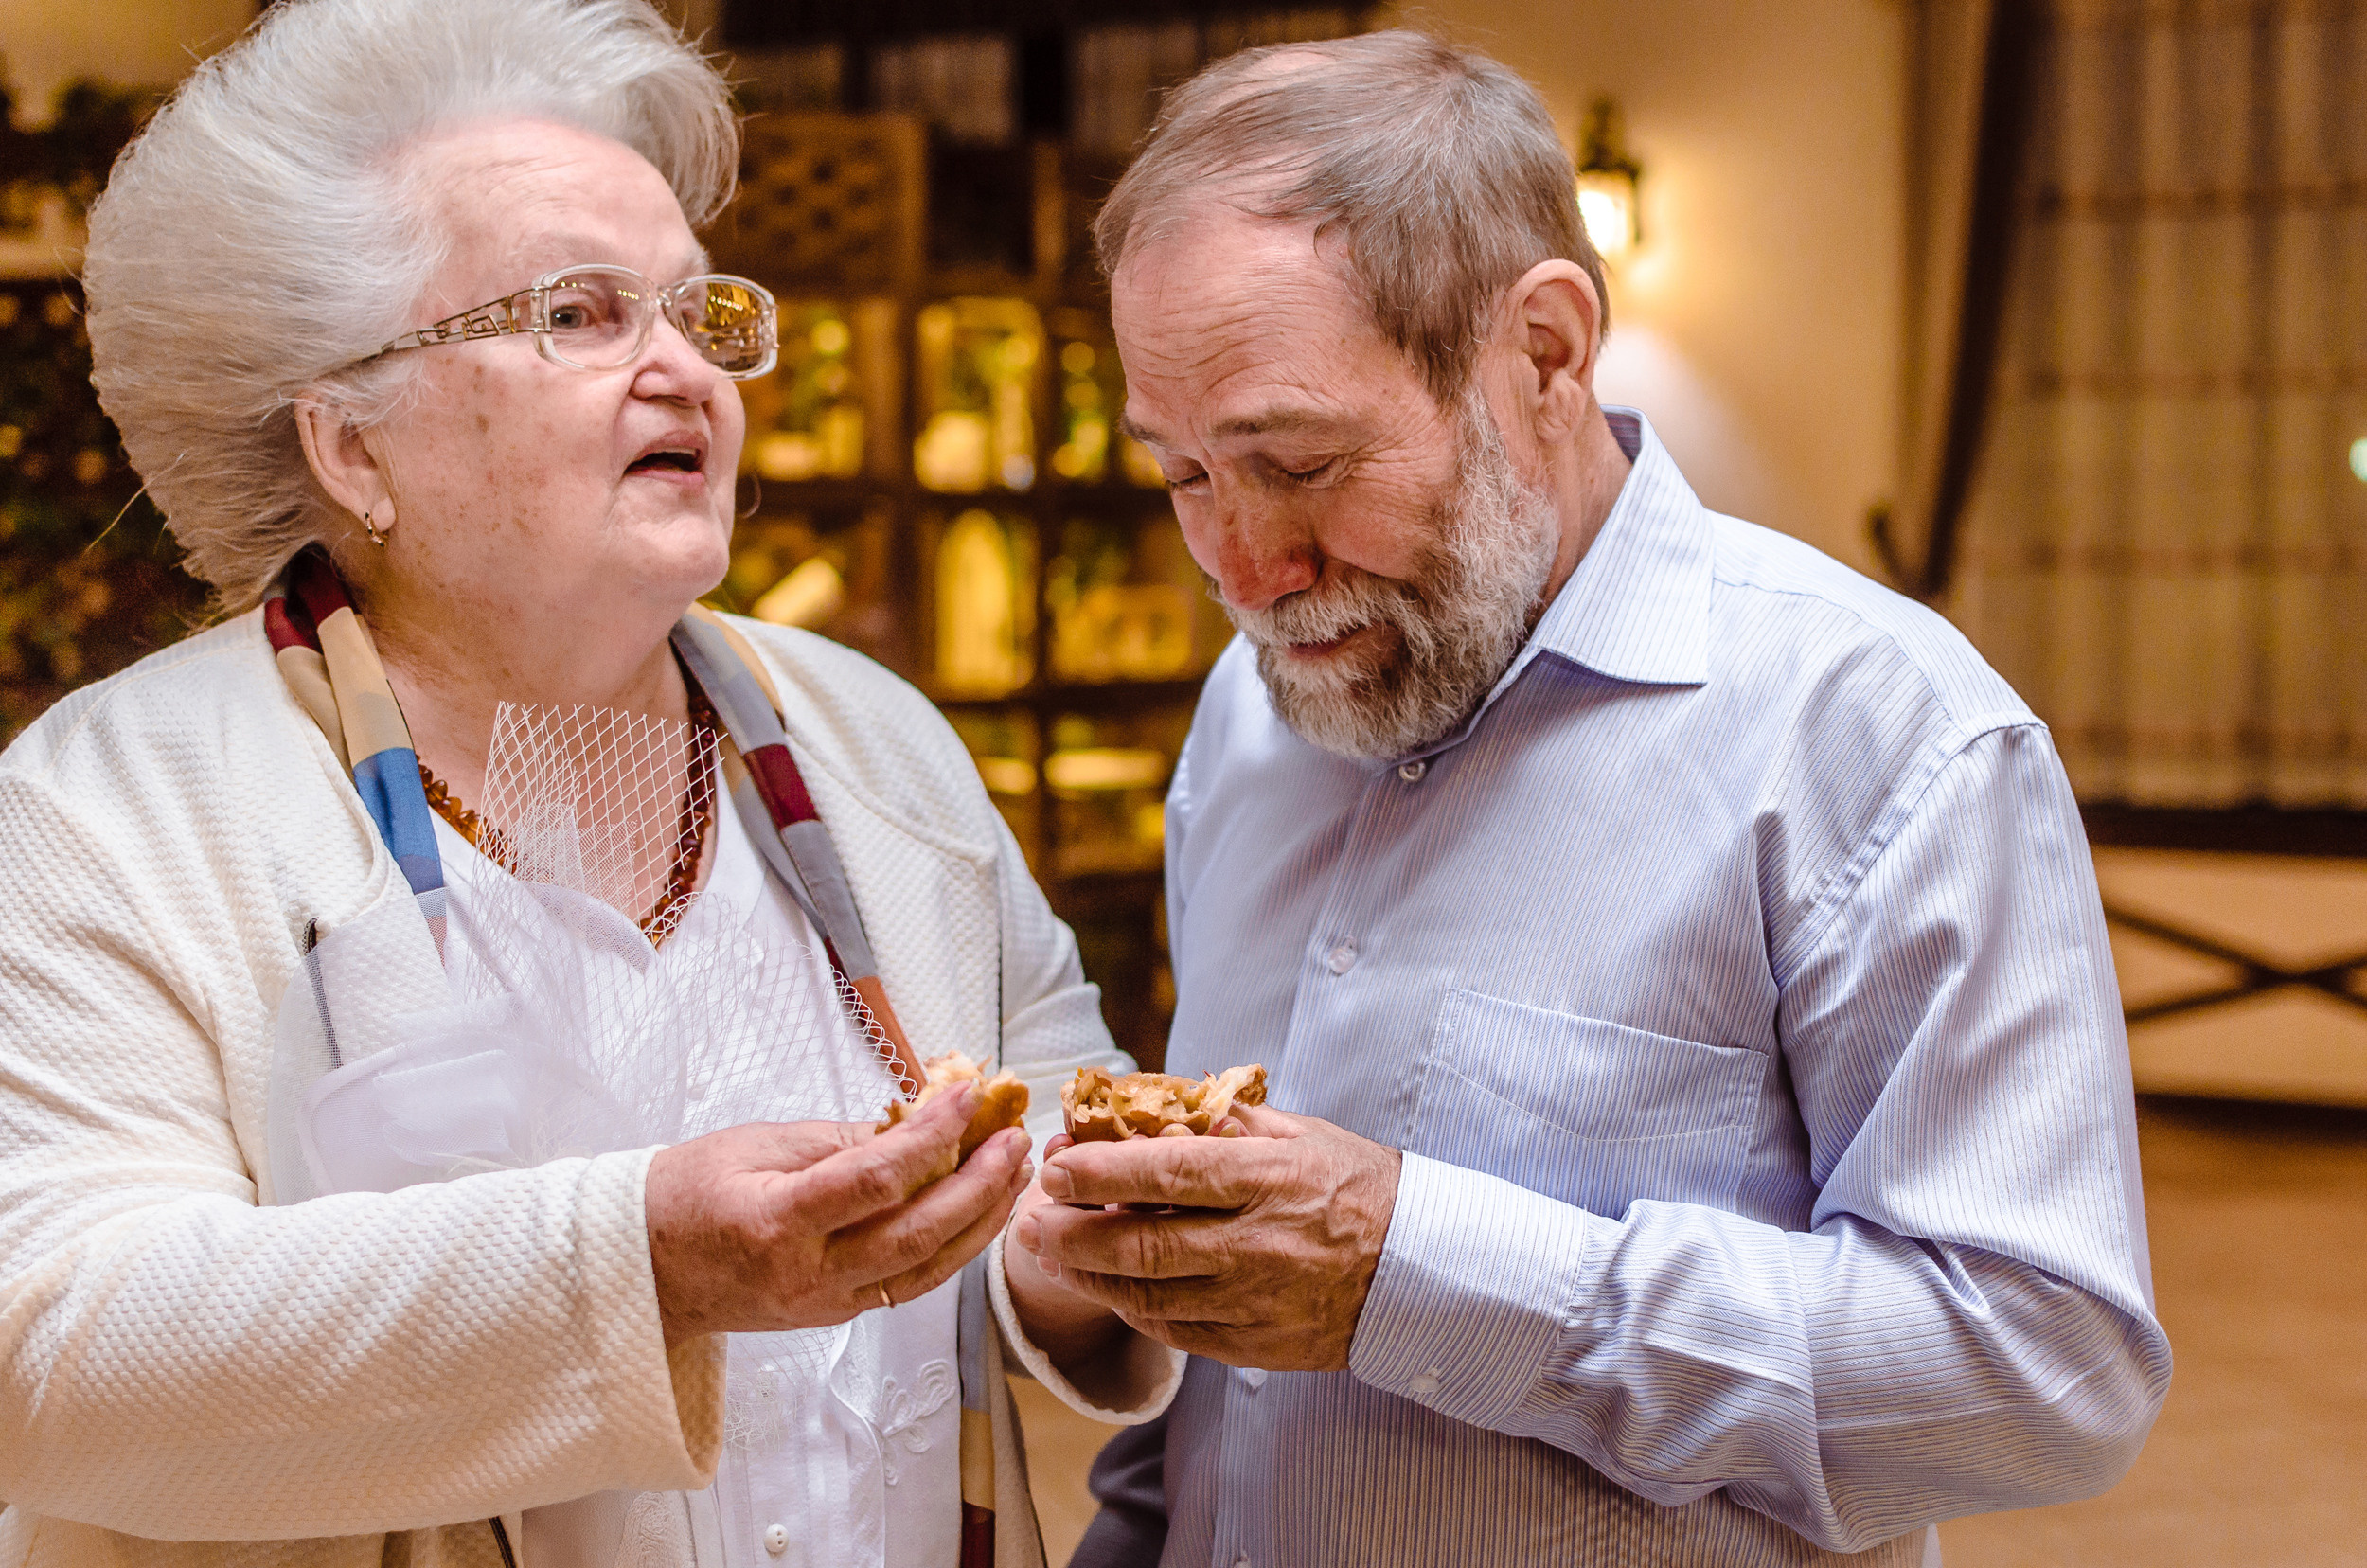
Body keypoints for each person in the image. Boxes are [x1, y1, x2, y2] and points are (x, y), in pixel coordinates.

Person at [0, 2, 1179, 1565]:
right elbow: (52, 1352)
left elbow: (1044, 1164)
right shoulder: (116, 802)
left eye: (700, 314)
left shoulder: (870, 739)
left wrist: (1079, 1245)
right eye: (580, 314)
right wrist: (643, 1263)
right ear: (351, 445)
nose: (686, 372)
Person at [1023, 30, 2173, 1568]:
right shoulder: (1252, 711)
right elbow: (1232, 1389)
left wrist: (1420, 1276)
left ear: (1549, 353)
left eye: (1294, 462)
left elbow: (2045, 1376)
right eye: (1179, 478)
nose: (1242, 569)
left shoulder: (1880, 736)